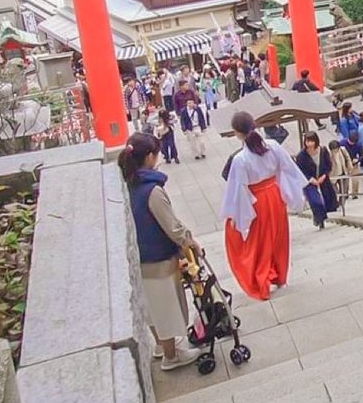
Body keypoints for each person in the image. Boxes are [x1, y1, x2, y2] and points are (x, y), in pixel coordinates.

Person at [118, 132, 203, 371]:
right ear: (149, 157)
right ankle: (171, 355)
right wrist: (190, 241)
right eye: (156, 153)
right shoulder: (152, 190)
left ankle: (160, 346)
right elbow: (172, 227)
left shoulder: (127, 184)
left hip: (139, 258)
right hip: (158, 259)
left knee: (152, 307)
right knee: (165, 306)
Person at [221, 111, 308, 301]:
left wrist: (237, 216)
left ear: (237, 132)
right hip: (275, 195)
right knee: (278, 236)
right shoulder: (273, 146)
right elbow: (288, 169)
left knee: (260, 242)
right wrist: (291, 194)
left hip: (257, 200)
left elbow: (238, 189)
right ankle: (279, 274)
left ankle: (262, 279)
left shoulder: (240, 159)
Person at [294, 131, 338, 229]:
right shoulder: (301, 156)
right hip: (309, 181)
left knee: (327, 199)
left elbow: (328, 164)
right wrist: (310, 179)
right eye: (307, 141)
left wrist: (324, 175)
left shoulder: (323, 150)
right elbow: (300, 170)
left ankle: (320, 218)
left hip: (322, 177)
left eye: (311, 141)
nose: (309, 144)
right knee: (315, 201)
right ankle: (319, 218)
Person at [328, 139, 353, 204]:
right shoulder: (328, 154)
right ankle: (336, 202)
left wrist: (350, 167)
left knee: (343, 191)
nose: (335, 151)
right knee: (334, 191)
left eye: (336, 149)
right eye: (334, 150)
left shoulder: (342, 150)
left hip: (343, 172)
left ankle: (341, 204)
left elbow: (347, 158)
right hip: (333, 175)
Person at [342, 131, 363, 199]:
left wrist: (358, 160)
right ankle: (345, 194)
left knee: (355, 179)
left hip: (354, 163)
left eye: (353, 142)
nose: (351, 143)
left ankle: (355, 194)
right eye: (350, 141)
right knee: (345, 180)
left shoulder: (359, 145)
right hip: (345, 163)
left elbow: (362, 155)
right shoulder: (342, 143)